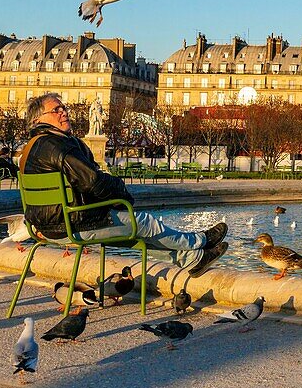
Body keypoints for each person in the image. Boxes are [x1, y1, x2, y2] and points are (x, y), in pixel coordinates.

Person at [20, 93, 228, 275]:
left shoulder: (32, 148)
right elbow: (93, 181)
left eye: (63, 107)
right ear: (38, 120)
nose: (64, 112)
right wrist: (121, 192)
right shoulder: (58, 146)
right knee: (145, 223)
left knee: (133, 231)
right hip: (72, 224)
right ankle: (200, 240)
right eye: (56, 110)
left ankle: (193, 260)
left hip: (46, 226)